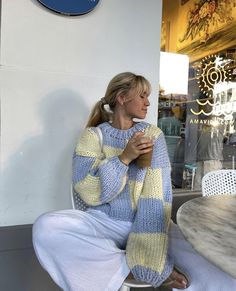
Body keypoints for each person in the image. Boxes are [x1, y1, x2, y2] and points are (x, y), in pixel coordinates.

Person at [33, 72, 236, 291]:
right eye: (142, 96)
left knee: (212, 265)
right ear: (122, 97)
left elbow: (156, 198)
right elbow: (89, 192)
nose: (148, 102)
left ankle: (128, 265)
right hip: (103, 222)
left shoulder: (151, 135)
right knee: (47, 227)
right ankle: (122, 270)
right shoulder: (92, 137)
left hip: (151, 219)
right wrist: (123, 158)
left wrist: (149, 258)